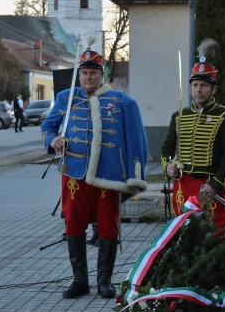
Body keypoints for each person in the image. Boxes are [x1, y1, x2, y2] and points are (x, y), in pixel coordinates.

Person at [41, 50, 149, 299]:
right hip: (74, 175)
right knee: (74, 225)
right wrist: (52, 139)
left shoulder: (122, 102)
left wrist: (135, 174)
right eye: (84, 73)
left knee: (107, 226)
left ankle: (105, 281)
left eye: (93, 73)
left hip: (107, 175)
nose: (88, 77)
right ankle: (80, 281)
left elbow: (137, 140)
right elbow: (47, 126)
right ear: (79, 75)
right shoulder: (66, 98)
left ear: (102, 75)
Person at [161, 50, 225, 235]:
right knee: (183, 234)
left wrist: (215, 185)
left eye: (204, 85)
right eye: (195, 85)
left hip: (208, 184)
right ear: (190, 88)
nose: (198, 89)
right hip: (182, 185)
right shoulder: (179, 116)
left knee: (213, 233)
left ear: (213, 89)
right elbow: (166, 149)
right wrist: (168, 167)